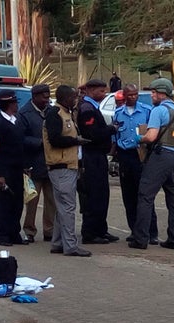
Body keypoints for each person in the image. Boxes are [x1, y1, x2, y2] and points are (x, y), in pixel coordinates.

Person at [128, 78, 174, 250]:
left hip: (160, 155)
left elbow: (152, 136)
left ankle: (141, 239)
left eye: (154, 92)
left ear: (162, 93)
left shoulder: (158, 111)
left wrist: (139, 138)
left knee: (145, 195)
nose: (151, 95)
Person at [43, 85, 92, 257]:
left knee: (62, 207)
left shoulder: (66, 113)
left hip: (69, 165)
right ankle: (71, 246)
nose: (76, 100)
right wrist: (76, 141)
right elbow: (55, 139)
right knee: (68, 207)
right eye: (74, 97)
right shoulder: (55, 114)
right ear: (64, 98)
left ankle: (57, 243)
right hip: (60, 166)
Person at [113, 84, 159, 244]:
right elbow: (115, 135)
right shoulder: (119, 113)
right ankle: (135, 230)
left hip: (141, 155)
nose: (133, 97)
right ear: (124, 96)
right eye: (129, 95)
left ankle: (151, 232)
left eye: (135, 94)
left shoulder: (146, 111)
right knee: (129, 195)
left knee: (145, 195)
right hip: (125, 156)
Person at [77, 79, 119, 244]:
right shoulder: (87, 109)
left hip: (98, 156)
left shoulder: (92, 106)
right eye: (101, 92)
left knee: (103, 194)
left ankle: (101, 229)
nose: (104, 94)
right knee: (94, 195)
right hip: (91, 156)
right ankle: (91, 232)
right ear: (91, 90)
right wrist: (111, 129)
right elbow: (91, 134)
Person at [0, 90, 29, 246]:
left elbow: (20, 146)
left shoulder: (17, 121)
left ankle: (15, 233)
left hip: (17, 169)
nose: (17, 105)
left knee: (17, 203)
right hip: (4, 171)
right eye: (14, 103)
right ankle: (3, 235)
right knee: (5, 204)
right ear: (8, 105)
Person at [17, 84, 55, 243]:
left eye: (48, 97)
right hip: (33, 163)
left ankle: (50, 230)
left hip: (51, 163)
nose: (46, 100)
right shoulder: (24, 113)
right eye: (43, 97)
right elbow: (21, 138)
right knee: (32, 200)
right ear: (34, 96)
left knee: (52, 200)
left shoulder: (51, 112)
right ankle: (29, 230)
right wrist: (40, 143)